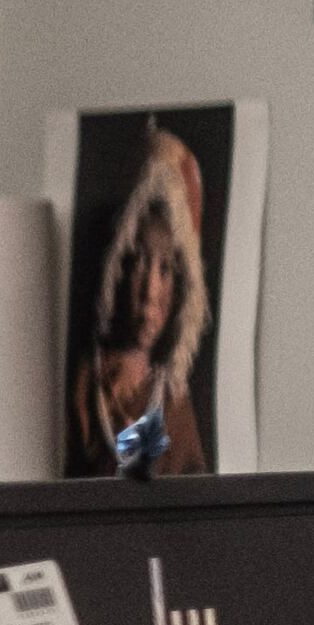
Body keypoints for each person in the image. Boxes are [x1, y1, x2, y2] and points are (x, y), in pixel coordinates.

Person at [66, 125, 213, 476]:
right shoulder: (89, 383)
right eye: (139, 263)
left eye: (165, 270)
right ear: (117, 270)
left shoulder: (173, 402)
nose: (149, 291)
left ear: (181, 292)